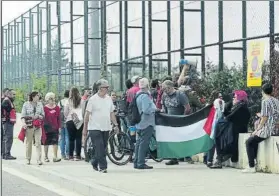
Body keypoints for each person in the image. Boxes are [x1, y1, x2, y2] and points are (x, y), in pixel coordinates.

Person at [83, 79, 119, 173]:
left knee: (102, 148)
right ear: (100, 88)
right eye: (106, 87)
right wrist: (85, 128)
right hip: (94, 127)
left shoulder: (108, 99)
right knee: (99, 146)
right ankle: (103, 167)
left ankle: (94, 161)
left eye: (108, 87)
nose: (107, 89)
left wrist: (116, 125)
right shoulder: (93, 99)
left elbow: (111, 113)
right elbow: (87, 114)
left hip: (106, 127)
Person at [243, 83, 279, 173]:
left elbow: (265, 117)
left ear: (263, 91)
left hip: (267, 128)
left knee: (249, 142)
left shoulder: (265, 101)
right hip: (275, 127)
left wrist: (257, 129)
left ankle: (251, 166)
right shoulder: (276, 101)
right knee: (253, 142)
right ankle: (253, 162)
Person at [210, 90, 250, 169]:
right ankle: (220, 157)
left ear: (239, 98)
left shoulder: (241, 107)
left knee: (218, 129)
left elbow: (229, 117)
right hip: (234, 130)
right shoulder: (240, 106)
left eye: (235, 97)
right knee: (219, 128)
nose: (233, 99)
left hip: (236, 130)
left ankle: (220, 157)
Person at [161, 80, 192, 165]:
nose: (163, 91)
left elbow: (187, 108)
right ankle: (173, 158)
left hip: (179, 120)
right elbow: (164, 108)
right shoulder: (164, 95)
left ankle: (187, 156)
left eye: (164, 89)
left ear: (170, 87)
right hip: (170, 121)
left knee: (182, 138)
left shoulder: (180, 95)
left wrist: (183, 118)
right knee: (172, 139)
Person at [134, 78, 157, 170]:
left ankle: (136, 162)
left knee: (139, 143)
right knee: (144, 144)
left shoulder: (138, 95)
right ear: (148, 86)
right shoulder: (145, 96)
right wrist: (155, 109)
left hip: (139, 123)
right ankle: (141, 163)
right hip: (146, 123)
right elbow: (146, 110)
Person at [21, 91, 45, 165]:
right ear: (33, 96)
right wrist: (24, 123)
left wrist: (38, 116)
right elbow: (22, 116)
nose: (39, 96)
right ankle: (28, 159)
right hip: (29, 126)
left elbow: (43, 115)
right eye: (37, 95)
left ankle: (39, 159)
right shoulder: (26, 104)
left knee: (38, 142)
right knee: (29, 143)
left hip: (38, 126)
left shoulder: (40, 104)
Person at [64, 87, 83, 161]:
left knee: (71, 138)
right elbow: (83, 110)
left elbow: (65, 112)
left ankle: (70, 156)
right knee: (78, 138)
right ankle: (78, 155)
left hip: (70, 120)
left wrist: (67, 117)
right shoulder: (81, 100)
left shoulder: (68, 101)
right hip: (79, 120)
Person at [43, 92, 61, 163]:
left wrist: (59, 127)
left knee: (55, 142)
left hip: (55, 128)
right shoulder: (44, 108)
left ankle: (55, 157)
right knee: (46, 143)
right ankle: (46, 157)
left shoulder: (57, 108)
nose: (53, 100)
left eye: (53, 98)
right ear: (47, 99)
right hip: (46, 128)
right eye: (51, 98)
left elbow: (59, 118)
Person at [2, 89, 17, 160]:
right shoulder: (6, 101)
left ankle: (5, 154)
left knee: (8, 138)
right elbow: (3, 107)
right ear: (9, 94)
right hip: (7, 122)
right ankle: (6, 154)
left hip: (9, 122)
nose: (14, 96)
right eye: (13, 94)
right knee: (8, 138)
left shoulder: (9, 100)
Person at [58, 90, 70, 160]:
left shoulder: (60, 102)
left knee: (62, 138)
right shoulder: (71, 102)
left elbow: (57, 112)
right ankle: (68, 153)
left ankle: (63, 154)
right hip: (68, 121)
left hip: (61, 122)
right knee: (68, 137)